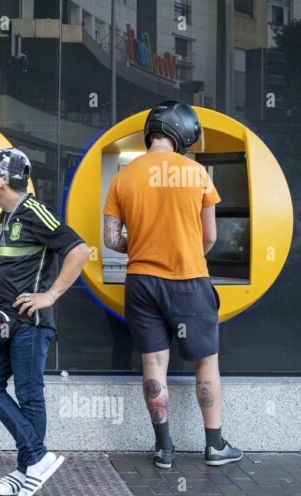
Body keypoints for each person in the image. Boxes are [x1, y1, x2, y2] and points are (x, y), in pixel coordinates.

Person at [103, 100, 243, 468]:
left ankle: (164, 448)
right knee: (206, 360)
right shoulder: (197, 173)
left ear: (151, 132)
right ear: (181, 133)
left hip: (141, 281)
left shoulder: (124, 176)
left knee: (153, 360)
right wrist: (183, 251)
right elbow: (210, 237)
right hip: (188, 279)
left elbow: (111, 240)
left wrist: (144, 246)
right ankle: (214, 446)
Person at [0, 148, 90, 496]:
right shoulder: (6, 216)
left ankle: (28, 467)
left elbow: (79, 250)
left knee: (29, 395)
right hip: (5, 321)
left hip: (31, 324)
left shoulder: (34, 211)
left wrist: (49, 295)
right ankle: (34, 461)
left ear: (0, 181)